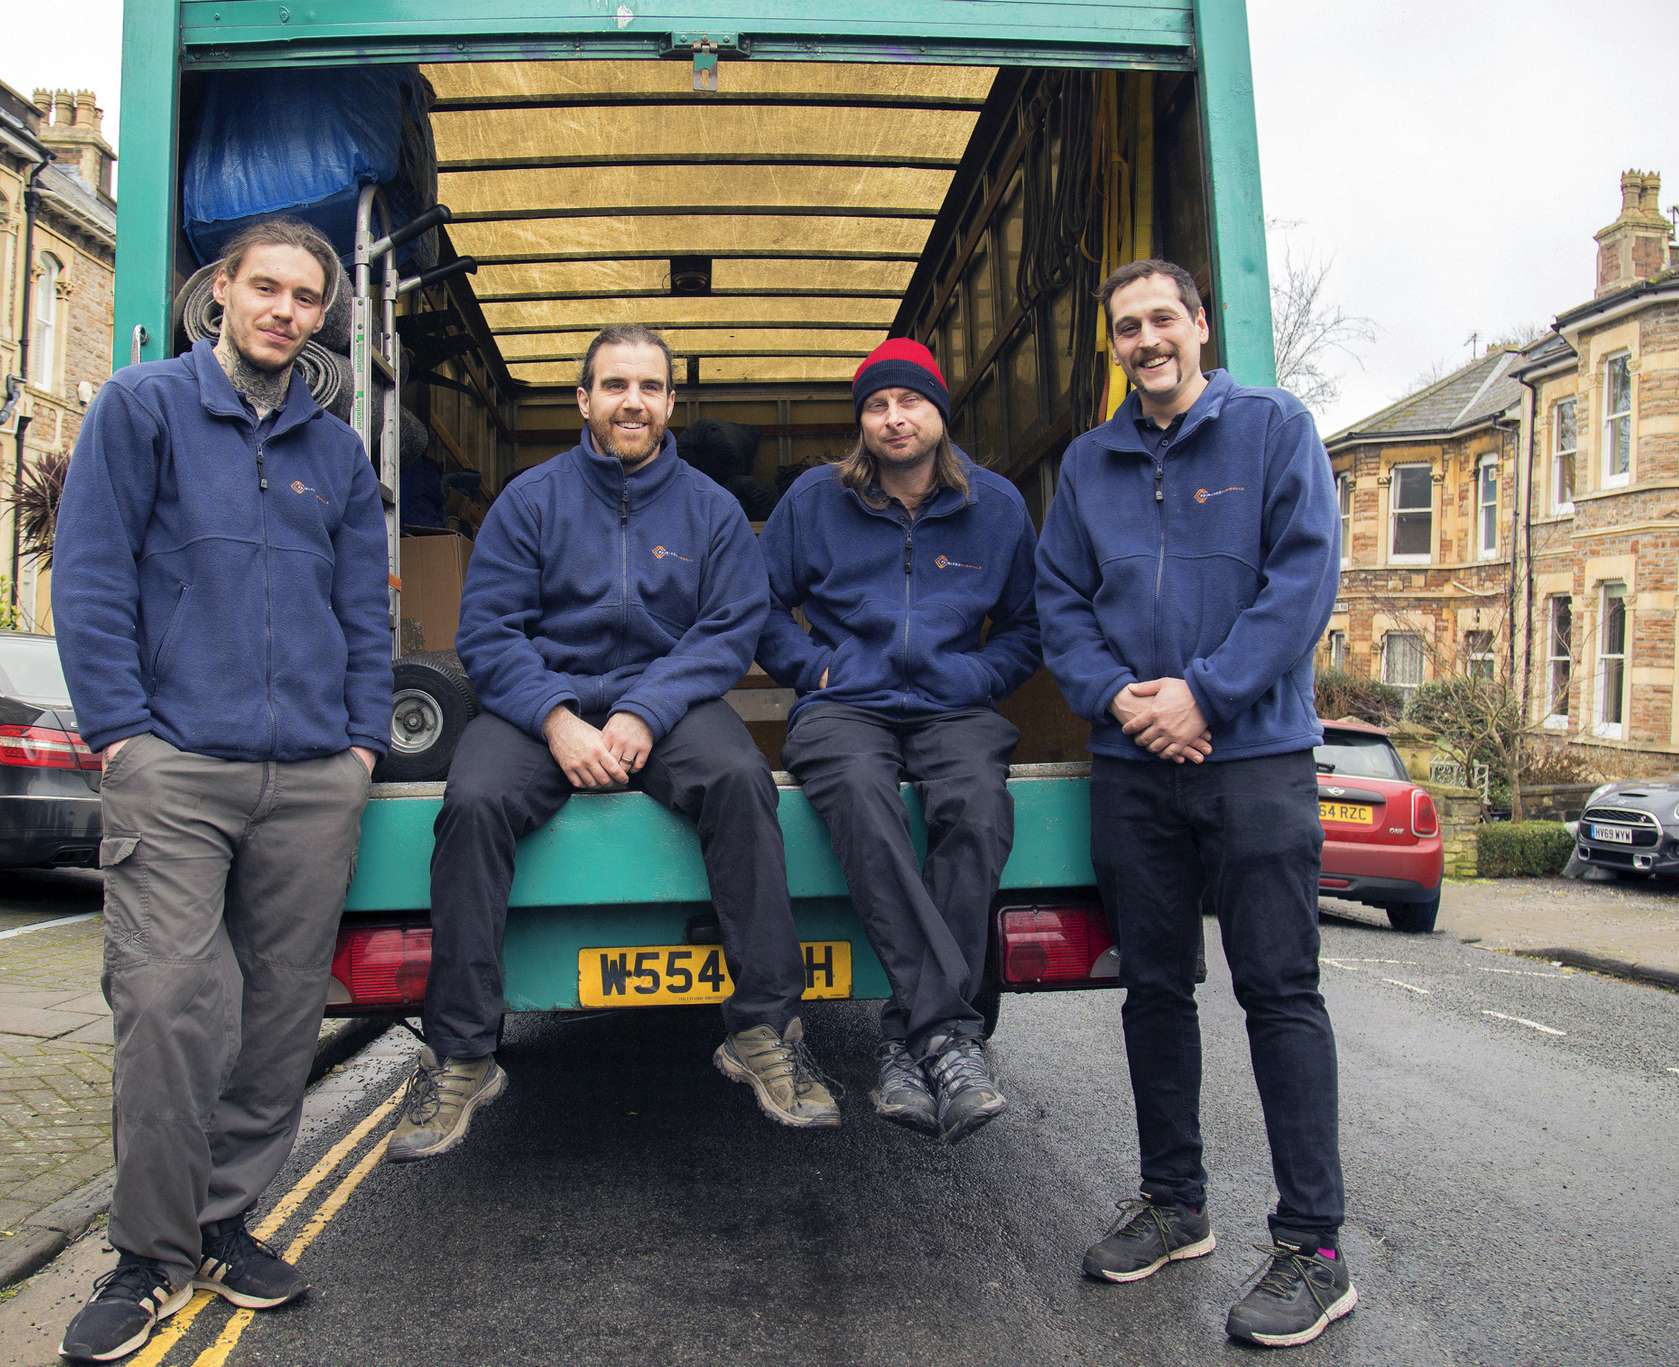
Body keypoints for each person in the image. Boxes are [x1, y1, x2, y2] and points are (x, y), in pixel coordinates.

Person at [51, 218, 391, 1363]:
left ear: (321, 319)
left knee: (281, 1015)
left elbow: (364, 609)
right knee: (164, 1005)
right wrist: (120, 733)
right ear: (221, 295)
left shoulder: (335, 452)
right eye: (267, 288)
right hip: (175, 767)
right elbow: (90, 574)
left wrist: (359, 745)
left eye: (306, 297)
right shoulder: (140, 407)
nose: (284, 310)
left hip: (312, 775)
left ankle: (221, 1222)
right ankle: (146, 1254)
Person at [388, 324, 839, 1162]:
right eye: (616, 385)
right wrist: (556, 719)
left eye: (650, 387)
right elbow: (488, 632)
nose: (634, 402)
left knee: (741, 780)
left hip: (667, 704)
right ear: (583, 399)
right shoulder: (530, 500)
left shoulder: (710, 509)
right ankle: (461, 1053)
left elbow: (729, 627)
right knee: (474, 800)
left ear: (670, 403)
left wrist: (644, 711)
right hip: (541, 705)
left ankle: (764, 1030)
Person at [1035, 258, 1351, 1348]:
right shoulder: (1090, 462)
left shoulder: (1274, 428)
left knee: (1280, 991)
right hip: (1133, 763)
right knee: (1154, 988)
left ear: (1200, 325)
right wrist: (1121, 699)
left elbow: (1301, 581)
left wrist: (1202, 694)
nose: (1146, 340)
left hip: (1254, 756)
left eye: (1161, 318)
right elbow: (1059, 602)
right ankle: (1174, 1203)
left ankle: (1314, 1247)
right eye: (1126, 327)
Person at [757, 338, 1041, 1144]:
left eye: (910, 401)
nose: (893, 418)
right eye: (877, 405)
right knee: (858, 796)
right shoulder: (816, 499)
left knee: (978, 809)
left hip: (954, 706)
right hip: (846, 705)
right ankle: (945, 1033)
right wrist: (814, 670)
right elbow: (759, 605)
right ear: (862, 422)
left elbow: (1028, 625)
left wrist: (978, 676)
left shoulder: (996, 506)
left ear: (939, 412)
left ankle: (907, 1038)